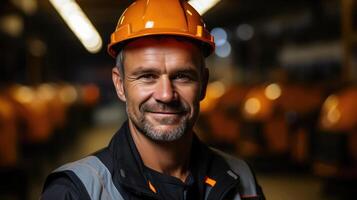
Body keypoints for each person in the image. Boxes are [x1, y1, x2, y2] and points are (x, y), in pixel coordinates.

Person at [41, 0, 265, 199]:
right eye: (147, 76)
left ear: (203, 84)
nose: (166, 94)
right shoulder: (76, 191)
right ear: (120, 85)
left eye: (182, 76)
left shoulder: (243, 181)